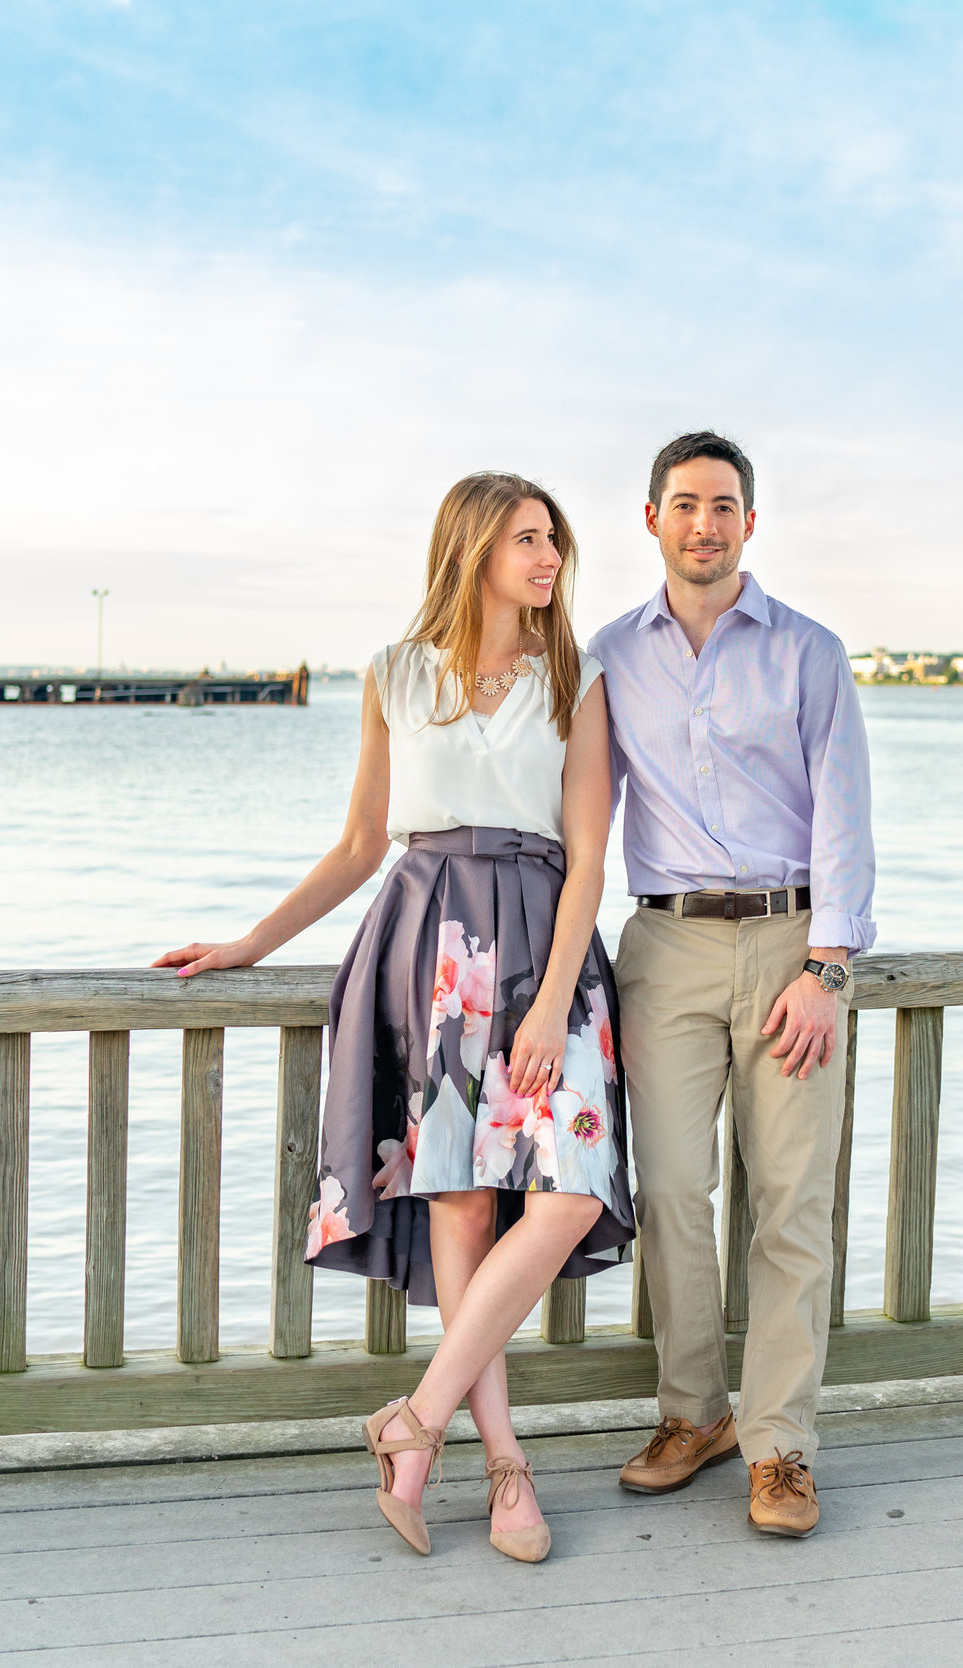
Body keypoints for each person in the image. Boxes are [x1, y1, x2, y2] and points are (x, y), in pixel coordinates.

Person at [155, 472, 631, 1564]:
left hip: (542, 954)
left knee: (564, 1195)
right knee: (462, 1207)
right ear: (471, 549)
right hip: (429, 946)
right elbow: (361, 846)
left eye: (554, 539)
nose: (549, 556)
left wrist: (554, 1001)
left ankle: (412, 1417)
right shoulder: (394, 675)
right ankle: (502, 1467)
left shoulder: (579, 676)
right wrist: (246, 945)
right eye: (526, 538)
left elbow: (591, 853)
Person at [588, 431, 875, 1538]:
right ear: (651, 520)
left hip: (790, 943)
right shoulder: (608, 657)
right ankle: (691, 1415)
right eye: (683, 503)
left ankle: (782, 1447)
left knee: (792, 1206)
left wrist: (825, 965)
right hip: (662, 952)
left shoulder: (808, 651)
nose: (703, 522)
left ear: (749, 523)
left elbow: (844, 812)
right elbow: (579, 816)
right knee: (666, 1189)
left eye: (722, 504)